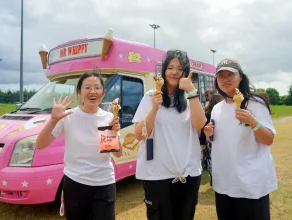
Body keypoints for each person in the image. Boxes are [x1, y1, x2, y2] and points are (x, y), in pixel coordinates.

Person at [36, 72, 122, 220]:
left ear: (103, 92)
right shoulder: (68, 116)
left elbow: (118, 153)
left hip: (104, 183)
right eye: (87, 87)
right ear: (79, 92)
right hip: (75, 183)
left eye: (97, 87)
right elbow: (40, 144)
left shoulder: (108, 118)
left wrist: (114, 133)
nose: (92, 91)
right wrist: (53, 120)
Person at [132, 50, 206, 220]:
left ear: (185, 72)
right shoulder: (151, 96)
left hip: (187, 174)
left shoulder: (190, 99)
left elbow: (199, 125)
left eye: (179, 69)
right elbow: (139, 134)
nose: (174, 72)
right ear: (164, 70)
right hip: (157, 175)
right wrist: (154, 108)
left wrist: (192, 91)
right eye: (170, 67)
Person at [204, 58, 277, 220]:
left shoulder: (256, 103)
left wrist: (252, 122)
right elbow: (221, 141)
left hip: (250, 184)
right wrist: (209, 135)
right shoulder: (216, 108)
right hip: (223, 182)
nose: (225, 79)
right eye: (221, 75)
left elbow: (268, 140)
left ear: (241, 77)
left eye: (230, 74)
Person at [199, 93, 223, 184]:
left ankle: (213, 178)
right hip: (215, 139)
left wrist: (202, 143)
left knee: (211, 160)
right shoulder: (217, 112)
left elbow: (202, 129)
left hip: (208, 140)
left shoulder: (206, 112)